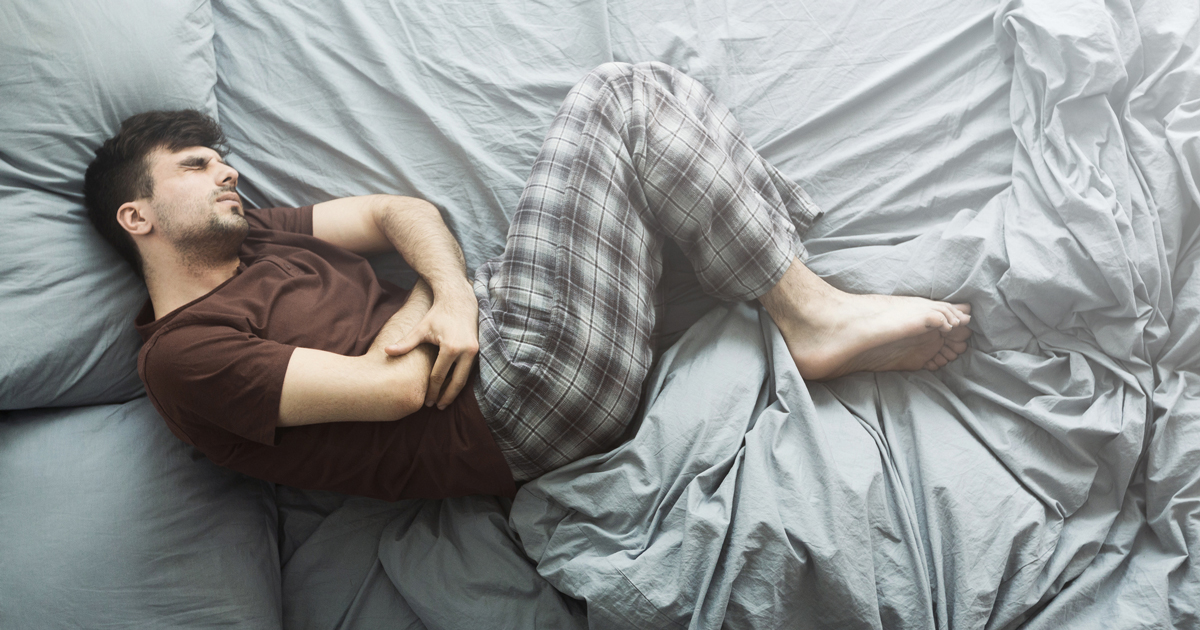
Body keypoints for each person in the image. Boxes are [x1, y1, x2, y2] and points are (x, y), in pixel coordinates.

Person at [83, 62, 971, 500]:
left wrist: (449, 296)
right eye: (198, 166)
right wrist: (446, 306)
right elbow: (398, 389)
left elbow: (405, 213)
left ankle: (789, 283)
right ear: (139, 216)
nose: (229, 173)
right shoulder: (185, 356)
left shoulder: (260, 241)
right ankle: (809, 311)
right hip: (502, 406)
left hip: (503, 334)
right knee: (621, 99)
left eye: (225, 159)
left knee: (642, 110)